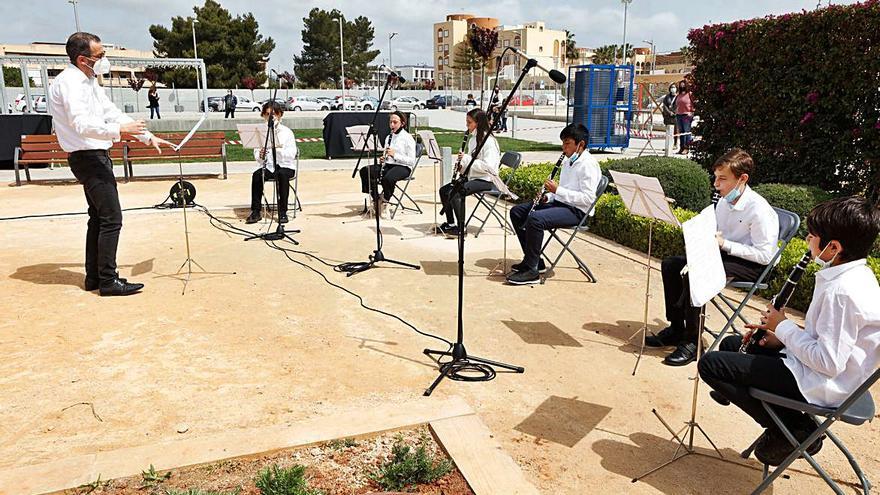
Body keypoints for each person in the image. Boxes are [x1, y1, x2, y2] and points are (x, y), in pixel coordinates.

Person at [699, 196, 880, 467]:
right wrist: (781, 337)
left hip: (826, 384)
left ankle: (795, 429)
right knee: (731, 345)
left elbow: (829, 363)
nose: (808, 240)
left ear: (833, 247)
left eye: (813, 236)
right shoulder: (850, 274)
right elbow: (828, 338)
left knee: (711, 365)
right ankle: (790, 423)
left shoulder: (843, 293)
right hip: (821, 370)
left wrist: (782, 326)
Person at [47, 32, 172, 296]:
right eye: (100, 56)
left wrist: (146, 136)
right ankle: (108, 280)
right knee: (112, 218)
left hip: (95, 156)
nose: (104, 60)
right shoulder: (69, 83)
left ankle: (94, 276)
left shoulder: (89, 81)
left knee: (98, 218)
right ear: (83, 59)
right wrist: (119, 130)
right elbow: (81, 124)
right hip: (87, 157)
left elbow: (110, 112)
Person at [647, 148, 779, 365]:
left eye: (723, 179)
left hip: (752, 264)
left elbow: (765, 255)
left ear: (742, 179)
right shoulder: (725, 200)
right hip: (725, 255)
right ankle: (677, 328)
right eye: (716, 178)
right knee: (671, 264)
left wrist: (724, 244)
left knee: (695, 274)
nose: (716, 184)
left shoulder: (760, 211)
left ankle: (691, 341)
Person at [507, 123, 601, 285]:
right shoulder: (568, 161)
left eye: (567, 143)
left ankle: (532, 271)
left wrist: (557, 191)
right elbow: (562, 191)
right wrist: (548, 197)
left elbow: (588, 199)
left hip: (577, 211)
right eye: (563, 143)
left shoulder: (588, 165)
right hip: (561, 204)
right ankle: (534, 260)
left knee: (535, 219)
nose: (563, 147)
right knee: (517, 212)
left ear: (581, 145)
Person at [436, 108, 501, 237]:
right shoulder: (473, 139)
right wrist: (463, 167)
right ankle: (451, 224)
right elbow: (472, 163)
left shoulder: (489, 142)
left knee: (457, 193)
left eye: (469, 122)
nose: (467, 125)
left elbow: (489, 167)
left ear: (478, 123)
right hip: (474, 177)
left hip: (486, 180)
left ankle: (461, 229)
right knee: (444, 190)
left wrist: (466, 159)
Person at [246, 100, 298, 225]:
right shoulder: (261, 132)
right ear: (263, 115)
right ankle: (256, 211)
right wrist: (261, 155)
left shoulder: (287, 132)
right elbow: (257, 156)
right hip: (268, 167)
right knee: (257, 175)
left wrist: (277, 149)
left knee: (282, 175)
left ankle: (282, 212)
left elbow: (292, 154)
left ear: (280, 115)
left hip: (285, 166)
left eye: (274, 114)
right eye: (268, 114)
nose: (271, 117)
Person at [357, 111, 416, 217]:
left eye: (395, 122)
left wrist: (395, 155)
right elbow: (387, 154)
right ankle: (376, 200)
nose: (392, 125)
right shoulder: (389, 137)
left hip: (403, 167)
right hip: (389, 165)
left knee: (388, 178)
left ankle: (385, 202)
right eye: (390, 122)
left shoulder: (408, 138)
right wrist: (384, 158)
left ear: (402, 123)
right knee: (365, 171)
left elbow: (411, 161)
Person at [675, 80, 694, 154]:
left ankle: (687, 148)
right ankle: (681, 147)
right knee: (681, 132)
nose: (682, 87)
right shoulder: (679, 95)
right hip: (679, 115)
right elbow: (677, 104)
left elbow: (694, 103)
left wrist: (692, 112)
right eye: (680, 85)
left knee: (687, 132)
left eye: (683, 85)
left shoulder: (690, 94)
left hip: (687, 115)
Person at [660, 83, 677, 150]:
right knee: (668, 131)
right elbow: (664, 106)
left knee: (675, 131)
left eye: (674, 87)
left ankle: (675, 144)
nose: (673, 89)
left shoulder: (678, 97)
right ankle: (668, 145)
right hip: (668, 116)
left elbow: (679, 105)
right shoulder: (667, 97)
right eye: (672, 87)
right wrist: (669, 112)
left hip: (675, 116)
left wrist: (675, 112)